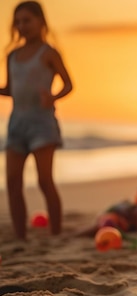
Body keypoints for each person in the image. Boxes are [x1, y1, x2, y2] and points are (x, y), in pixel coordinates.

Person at [0, 1, 73, 239]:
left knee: (44, 180)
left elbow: (69, 84)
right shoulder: (12, 55)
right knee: (12, 182)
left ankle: (56, 234)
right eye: (18, 22)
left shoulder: (49, 52)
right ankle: (20, 237)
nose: (22, 26)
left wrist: (53, 97)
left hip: (42, 123)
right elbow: (11, 89)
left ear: (40, 22)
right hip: (16, 124)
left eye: (27, 21)